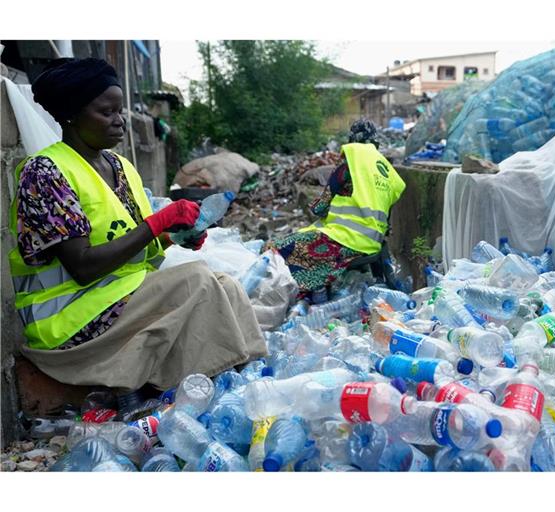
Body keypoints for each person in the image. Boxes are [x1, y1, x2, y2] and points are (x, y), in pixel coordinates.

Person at [7, 58, 266, 392]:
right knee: (196, 280)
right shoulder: (44, 173)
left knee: (226, 285)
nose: (120, 121)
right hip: (68, 320)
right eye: (106, 112)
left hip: (118, 299)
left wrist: (176, 237)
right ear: (71, 115)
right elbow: (83, 267)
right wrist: (158, 222)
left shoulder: (120, 166)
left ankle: (249, 381)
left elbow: (135, 247)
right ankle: (205, 391)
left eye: (120, 111)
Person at [268, 119, 406, 298]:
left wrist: (314, 206)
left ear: (352, 139)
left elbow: (321, 207)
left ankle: (307, 295)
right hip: (374, 241)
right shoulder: (387, 171)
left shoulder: (349, 167)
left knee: (279, 247)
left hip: (347, 240)